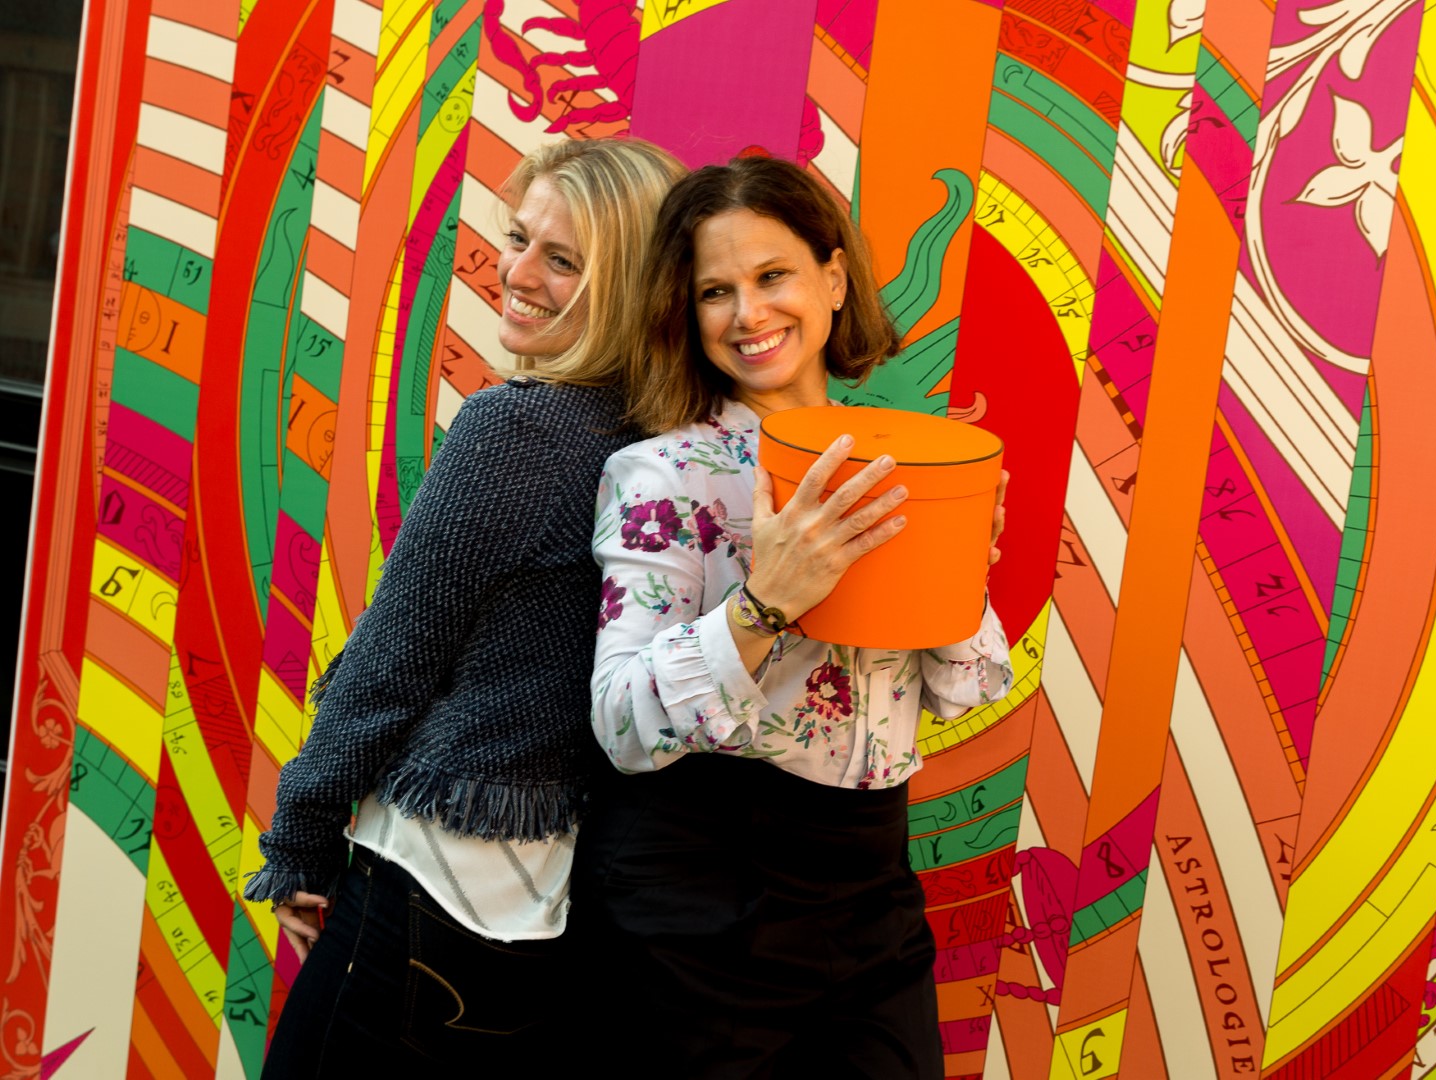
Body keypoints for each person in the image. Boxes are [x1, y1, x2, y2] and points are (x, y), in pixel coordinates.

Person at [242, 137, 684, 1074]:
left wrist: (300, 847)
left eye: (562, 260)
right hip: (551, 921)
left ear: (635, 286)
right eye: (518, 240)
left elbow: (389, 669)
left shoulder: (515, 432)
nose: (515, 274)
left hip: (423, 896)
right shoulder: (677, 450)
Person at [581, 155, 1013, 1078]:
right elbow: (619, 722)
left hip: (868, 888)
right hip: (696, 888)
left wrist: (959, 571)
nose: (749, 314)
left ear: (833, 278)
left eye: (772, 276)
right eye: (714, 291)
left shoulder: (902, 459)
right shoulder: (663, 477)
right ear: (685, 313)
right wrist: (764, 601)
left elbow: (963, 687)